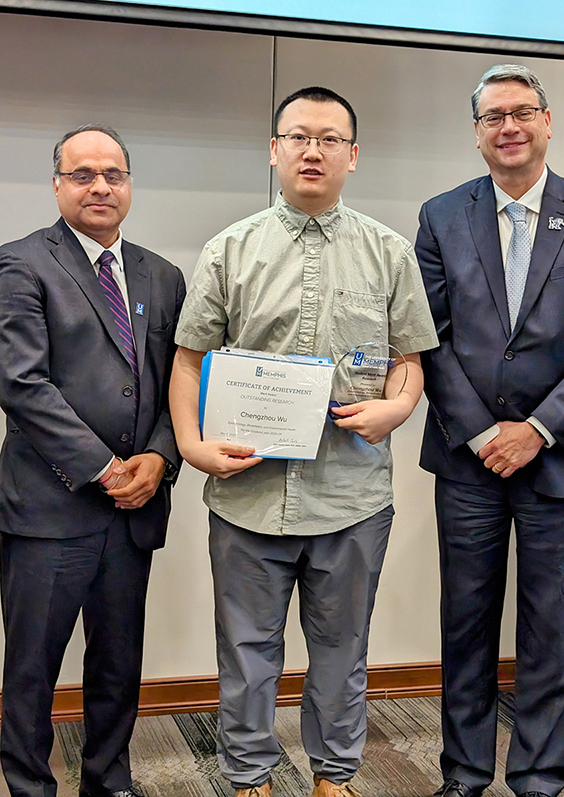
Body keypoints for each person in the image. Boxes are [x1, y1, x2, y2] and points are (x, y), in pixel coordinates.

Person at [170, 86, 438, 797]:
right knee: (246, 652)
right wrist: (194, 447)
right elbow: (190, 358)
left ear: (353, 155)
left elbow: (410, 360)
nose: (311, 150)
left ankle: (335, 776)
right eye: (297, 136)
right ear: (274, 150)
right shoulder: (231, 248)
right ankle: (251, 776)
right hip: (247, 493)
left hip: (352, 495)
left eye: (328, 138)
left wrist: (398, 408)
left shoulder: (389, 252)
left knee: (342, 652)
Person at [415, 64, 564, 797]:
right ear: (477, 133)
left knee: (553, 632)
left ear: (548, 122)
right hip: (469, 459)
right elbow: (426, 335)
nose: (510, 126)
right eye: (493, 116)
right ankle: (462, 773)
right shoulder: (440, 214)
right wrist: (483, 430)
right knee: (465, 623)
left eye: (523, 112)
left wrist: (539, 429)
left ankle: (539, 777)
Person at [0, 124, 186, 797]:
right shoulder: (19, 264)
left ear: (129, 184)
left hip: (132, 513)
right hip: (50, 509)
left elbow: (178, 386)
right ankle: (27, 785)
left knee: (118, 663)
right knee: (32, 669)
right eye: (83, 174)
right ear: (58, 185)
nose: (100, 186)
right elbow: (21, 383)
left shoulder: (163, 276)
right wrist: (107, 466)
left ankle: (109, 780)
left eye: (113, 173)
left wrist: (161, 459)